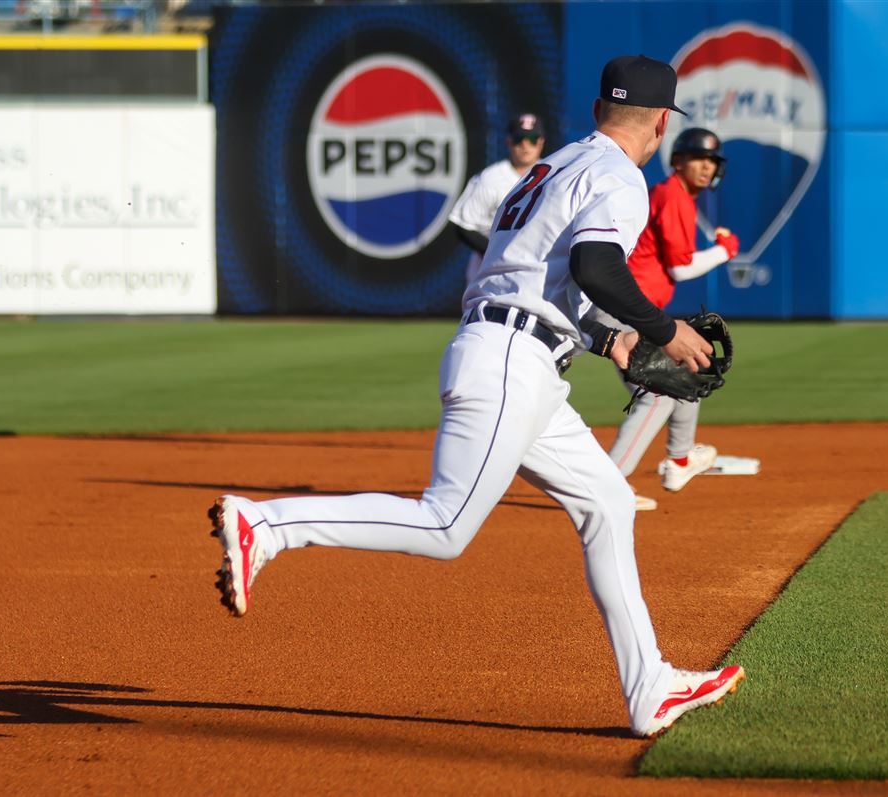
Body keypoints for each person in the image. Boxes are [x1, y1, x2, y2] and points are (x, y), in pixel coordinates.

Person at [207, 56, 745, 738]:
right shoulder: (620, 177)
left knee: (608, 500)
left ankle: (651, 690)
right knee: (445, 524)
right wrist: (662, 330)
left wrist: (608, 339)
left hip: (521, 358)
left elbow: (543, 270)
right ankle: (268, 525)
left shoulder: (558, 163)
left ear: (596, 110)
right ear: (664, 120)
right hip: (509, 363)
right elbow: (595, 265)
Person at [603, 128, 740, 510]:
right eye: (698, 157)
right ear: (678, 160)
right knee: (658, 394)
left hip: (633, 306)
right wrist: (724, 251)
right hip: (625, 307)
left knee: (683, 374)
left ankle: (679, 460)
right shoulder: (673, 195)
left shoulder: (675, 196)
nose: (705, 165)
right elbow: (679, 269)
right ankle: (610, 486)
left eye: (711, 160)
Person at [448, 113, 547, 289]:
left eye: (532, 138)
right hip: (490, 272)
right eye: (519, 139)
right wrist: (499, 254)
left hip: (537, 269)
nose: (525, 145)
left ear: (541, 142)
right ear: (508, 142)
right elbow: (463, 226)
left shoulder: (553, 175)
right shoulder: (491, 178)